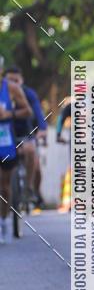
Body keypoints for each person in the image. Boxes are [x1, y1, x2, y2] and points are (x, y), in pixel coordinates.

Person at [4, 66, 48, 207]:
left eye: (16, 80)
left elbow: (38, 112)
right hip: (5, 133)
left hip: (24, 132)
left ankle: (29, 188)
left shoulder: (29, 94)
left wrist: (43, 129)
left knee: (31, 153)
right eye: (10, 80)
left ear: (22, 80)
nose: (13, 84)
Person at [0, 56, 33, 243]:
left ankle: (3, 220)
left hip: (5, 141)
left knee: (4, 186)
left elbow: (27, 110)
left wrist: (9, 113)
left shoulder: (11, 88)